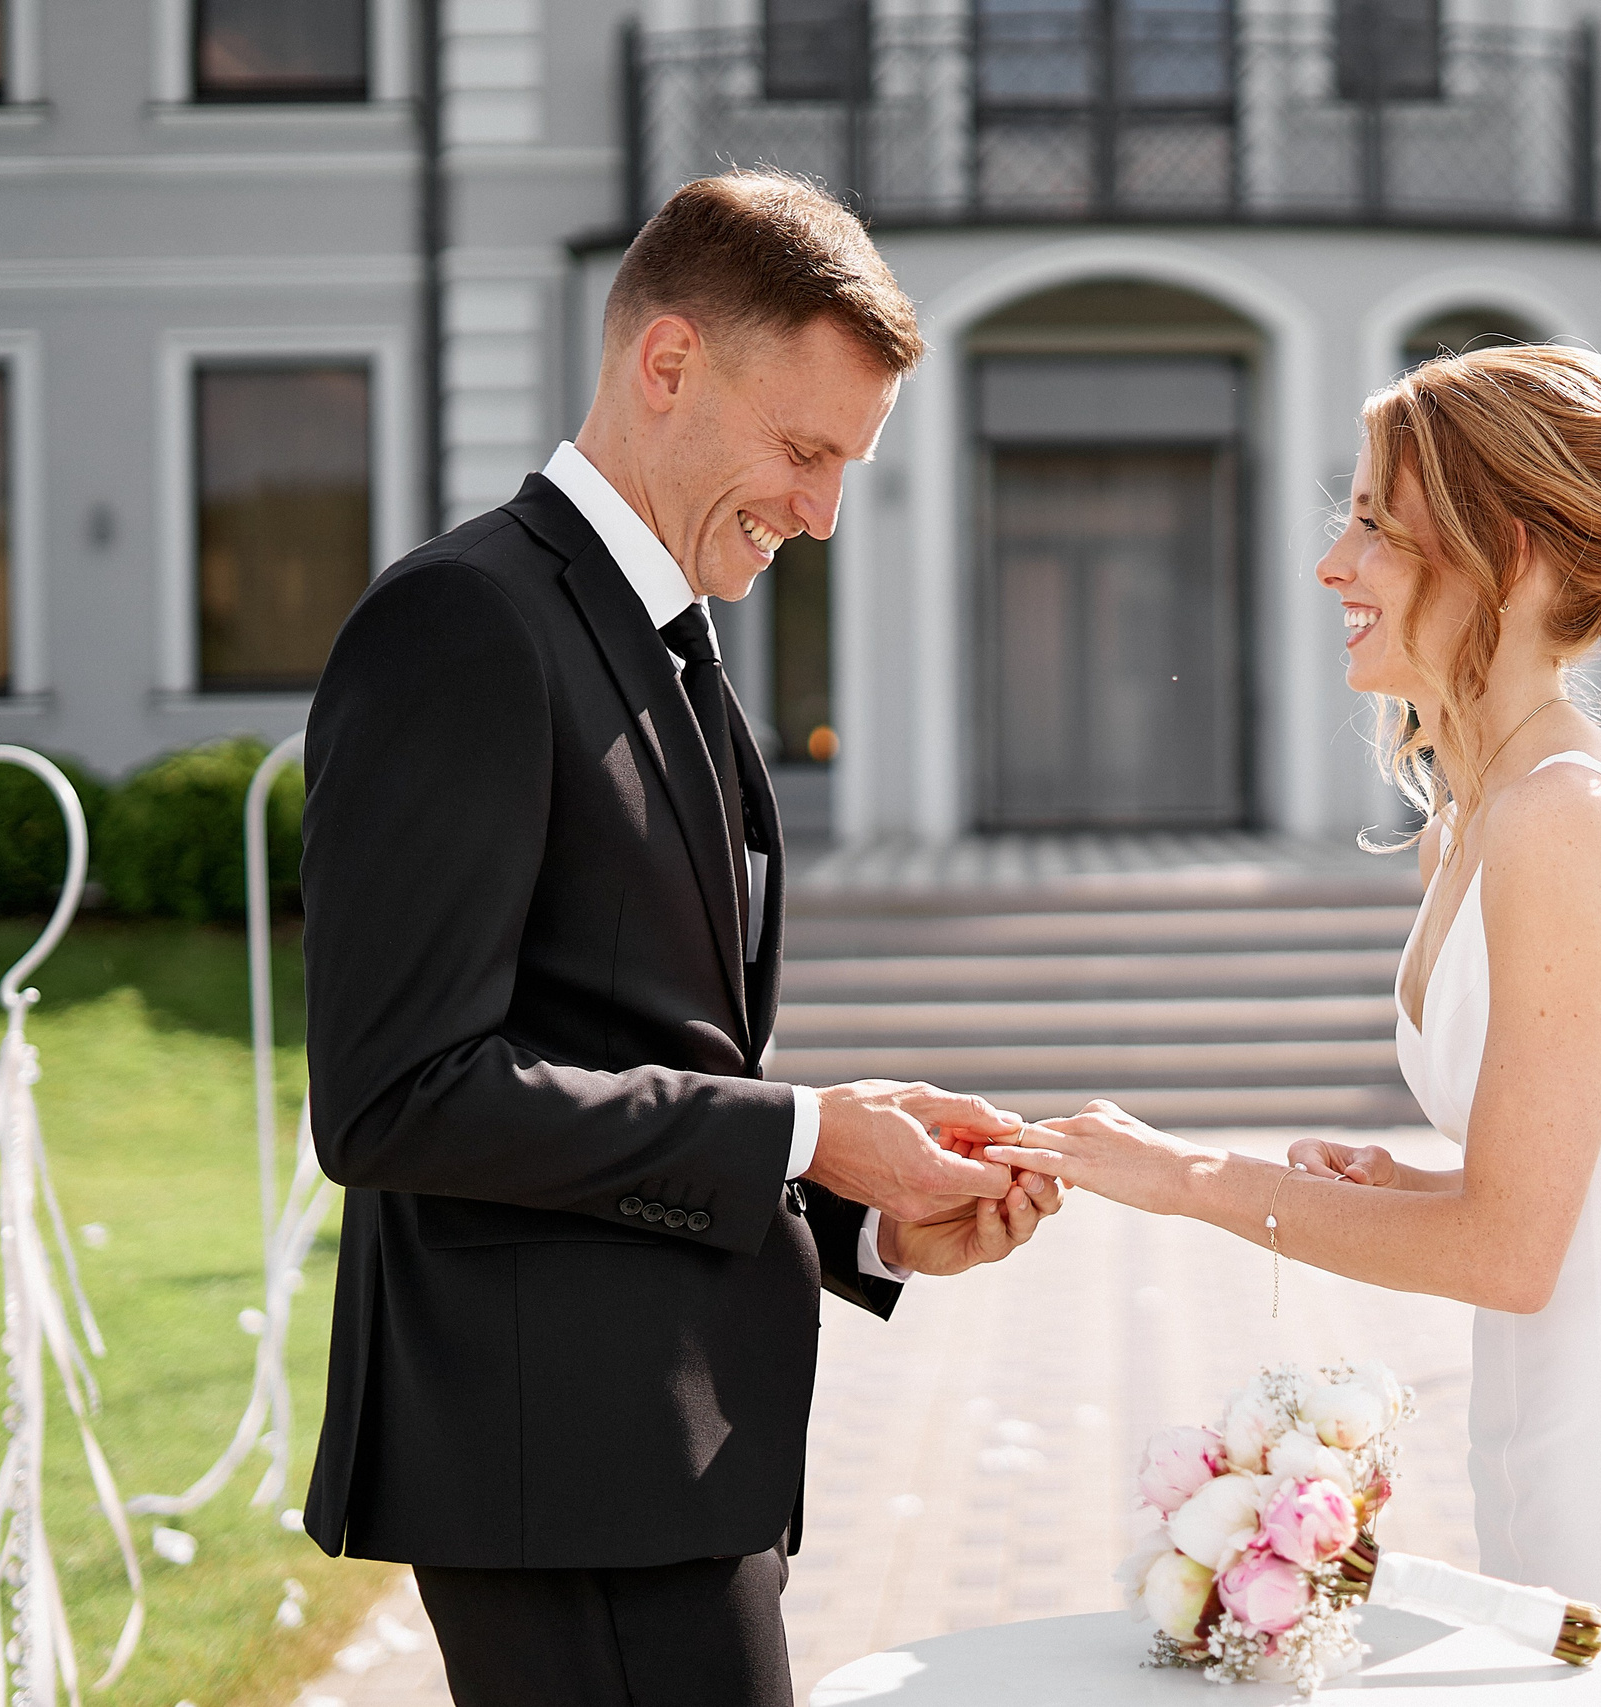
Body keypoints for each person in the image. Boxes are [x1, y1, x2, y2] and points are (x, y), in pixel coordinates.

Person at [297, 171, 1061, 1707]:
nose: (822, 510)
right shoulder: (464, 626)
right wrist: (802, 1132)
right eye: (802, 450)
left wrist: (862, 1203)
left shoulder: (665, 635)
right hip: (560, 1475)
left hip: (658, 1458)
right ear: (666, 364)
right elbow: (396, 1097)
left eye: (848, 465)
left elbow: (626, 1044)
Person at [987, 344, 1601, 1705]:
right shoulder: (1479, 816)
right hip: (1550, 1459)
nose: (1334, 566)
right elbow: (1563, 1188)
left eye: (1376, 524)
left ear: (1504, 552)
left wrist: (1194, 1178)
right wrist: (1413, 1184)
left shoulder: (1562, 817)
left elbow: (1510, 1249)